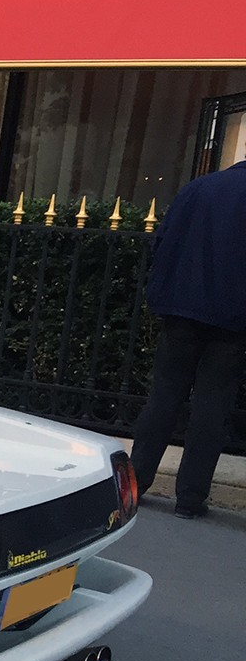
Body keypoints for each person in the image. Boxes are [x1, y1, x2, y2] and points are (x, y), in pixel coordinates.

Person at [129, 157, 246, 519]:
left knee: (164, 396)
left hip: (182, 307)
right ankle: (190, 498)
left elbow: (163, 240)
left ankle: (136, 482)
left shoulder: (199, 187)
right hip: (234, 317)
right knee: (213, 405)